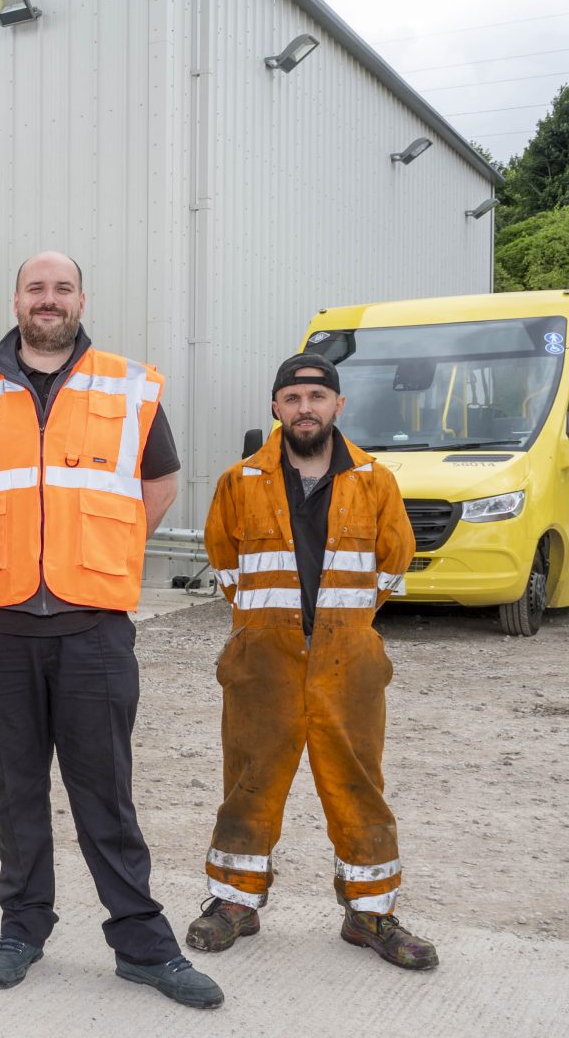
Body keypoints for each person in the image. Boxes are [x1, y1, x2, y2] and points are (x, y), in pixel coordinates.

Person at [0, 252, 223, 1009]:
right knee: (14, 791)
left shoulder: (127, 385)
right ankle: (23, 927)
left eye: (62, 289)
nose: (49, 300)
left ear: (81, 299)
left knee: (106, 794)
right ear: (17, 299)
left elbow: (160, 480)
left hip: (93, 629)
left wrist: (113, 550)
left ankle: (142, 944)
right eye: (36, 288)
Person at [186, 354, 436, 970]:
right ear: (276, 406)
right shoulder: (239, 481)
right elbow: (225, 566)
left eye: (317, 397)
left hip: (346, 660)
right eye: (293, 397)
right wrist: (266, 627)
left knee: (357, 784)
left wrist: (341, 628)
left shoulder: (375, 480)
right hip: (262, 660)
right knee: (249, 781)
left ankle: (371, 913)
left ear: (337, 407)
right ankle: (234, 904)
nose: (305, 408)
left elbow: (393, 561)